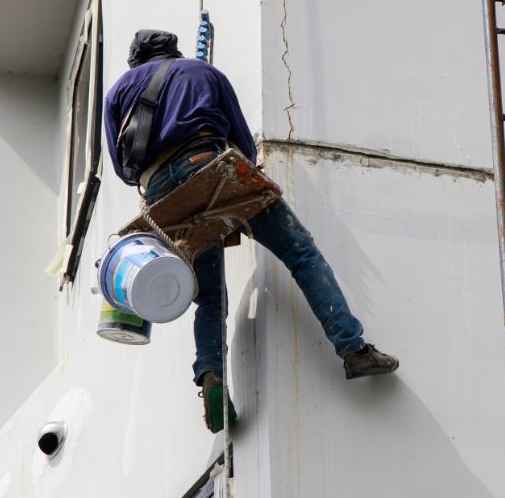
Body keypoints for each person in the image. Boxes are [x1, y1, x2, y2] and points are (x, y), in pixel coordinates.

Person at [104, 29, 398, 433]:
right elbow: (242, 140)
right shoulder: (202, 72)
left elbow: (123, 170)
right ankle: (353, 349)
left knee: (209, 296)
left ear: (136, 61)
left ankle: (211, 375)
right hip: (210, 164)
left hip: (163, 200)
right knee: (300, 253)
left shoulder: (119, 91)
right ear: (174, 51)